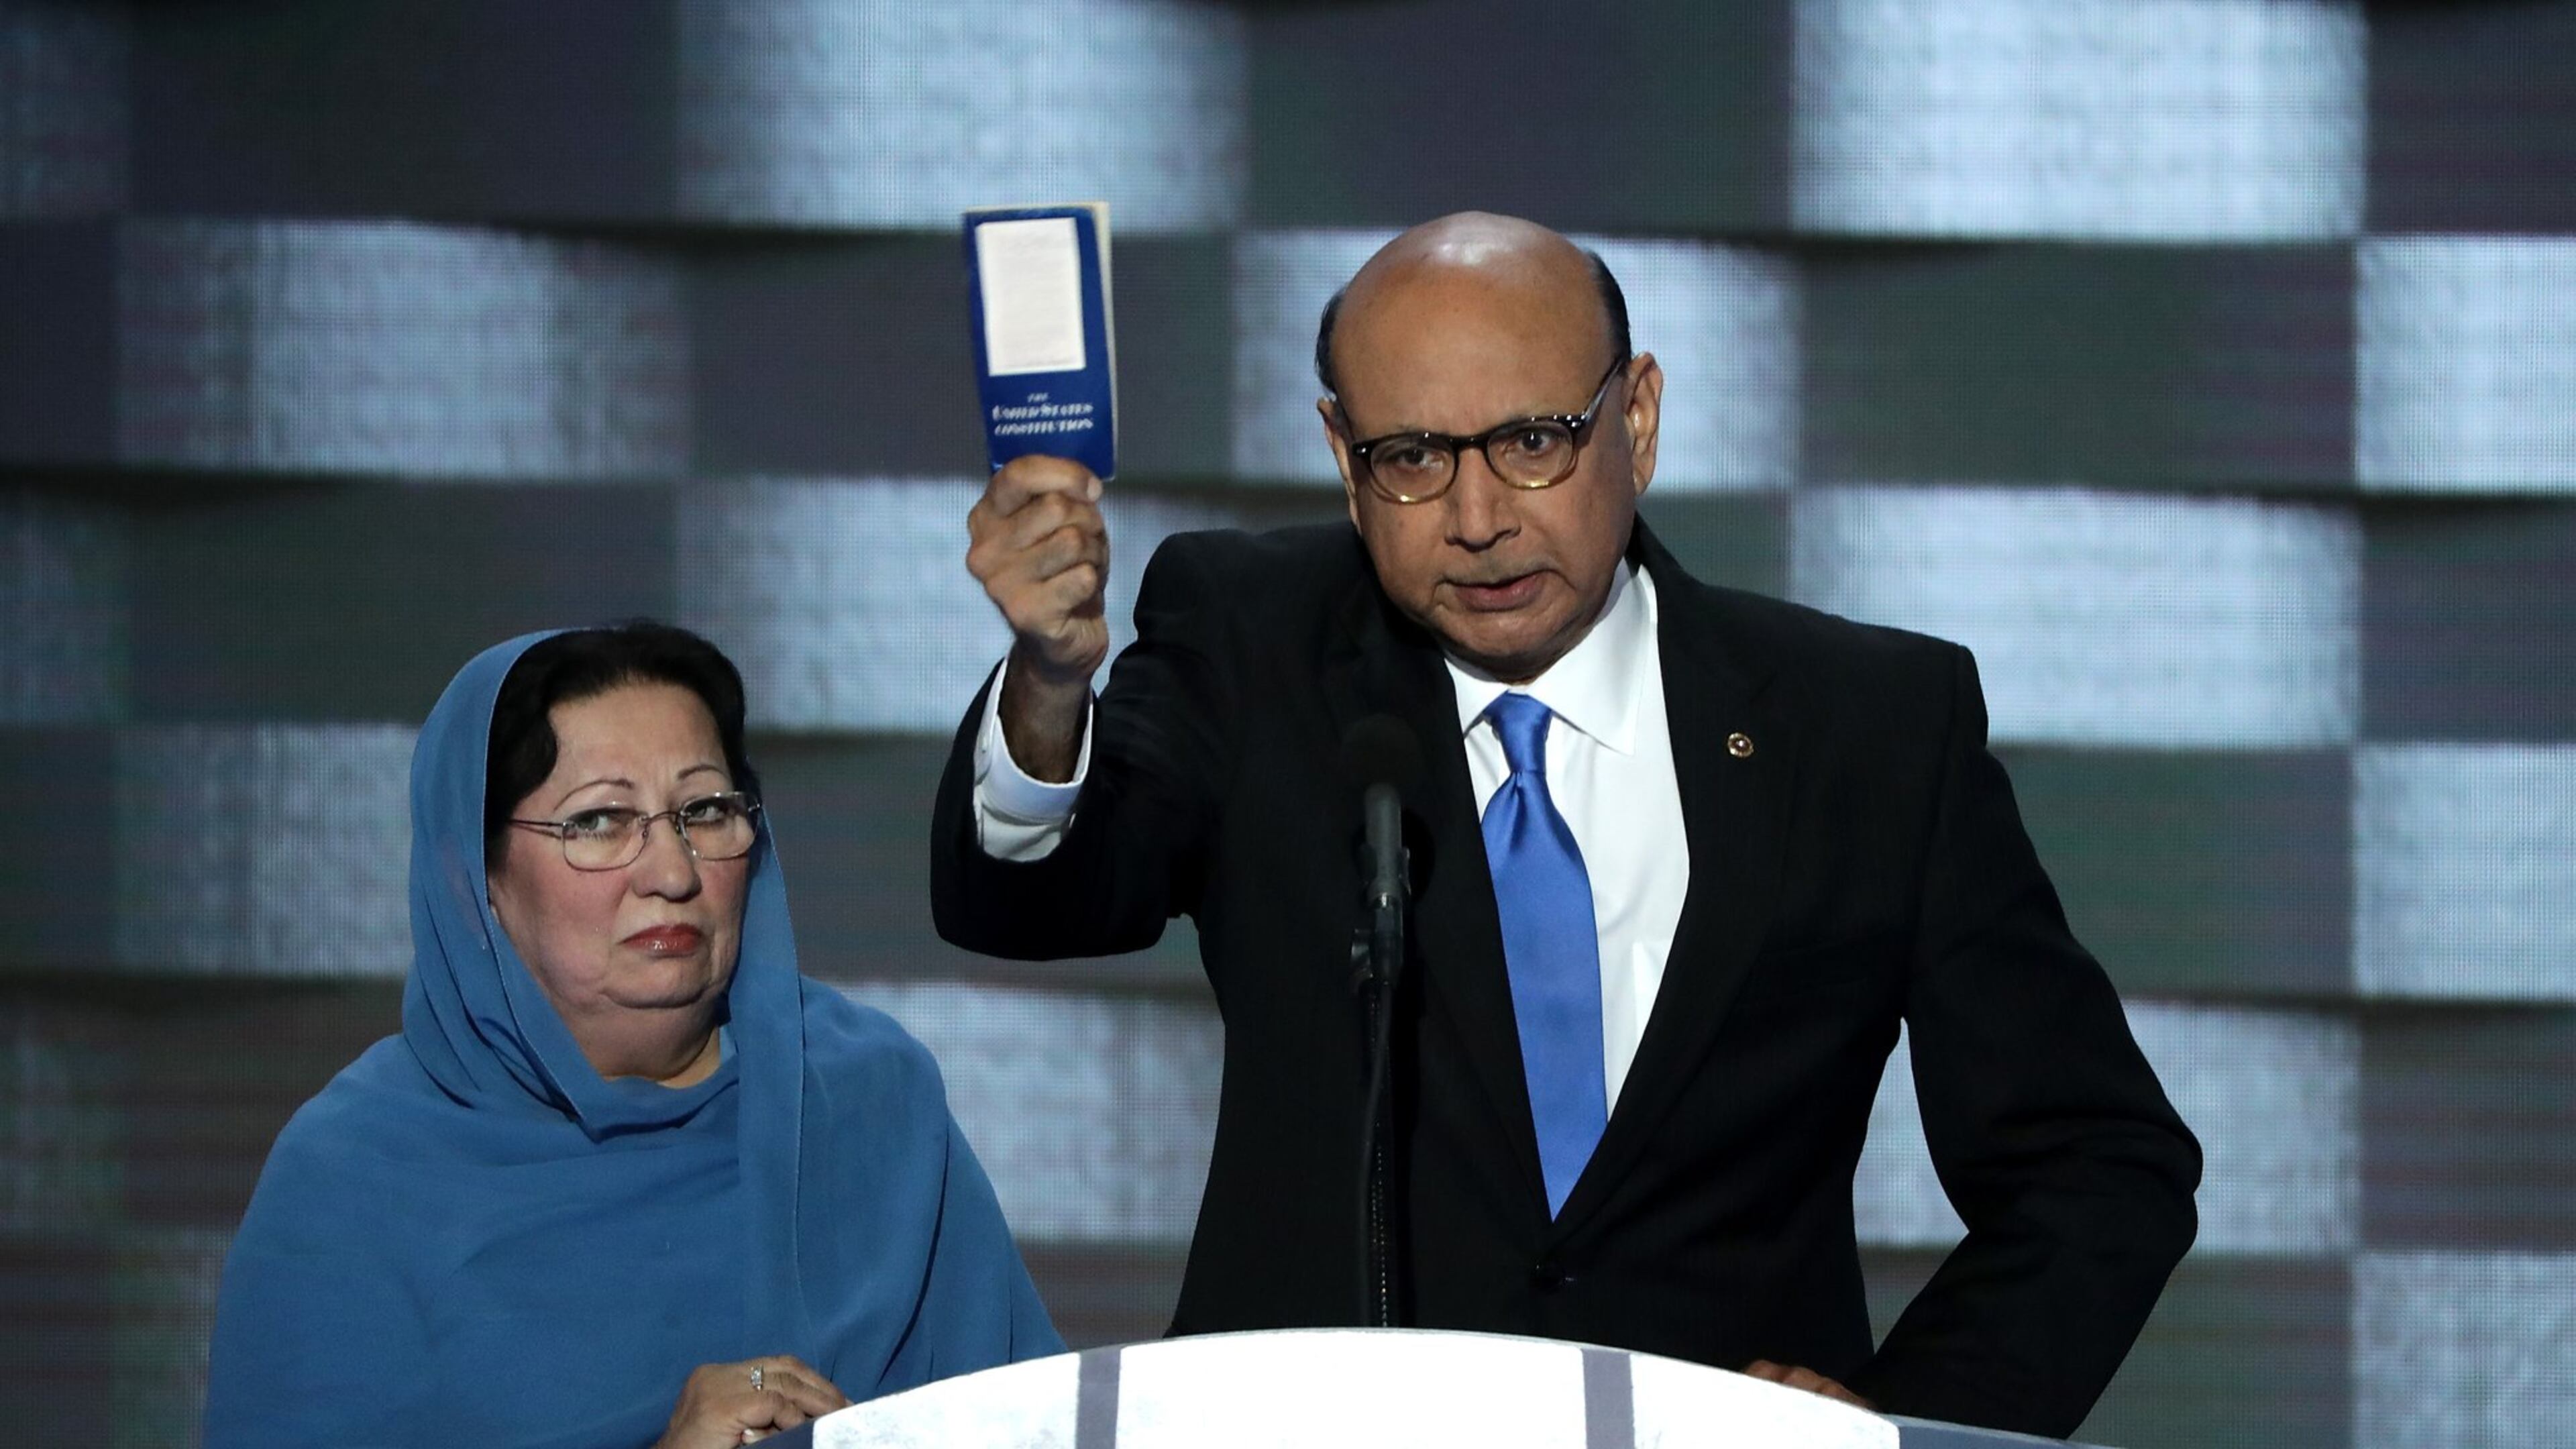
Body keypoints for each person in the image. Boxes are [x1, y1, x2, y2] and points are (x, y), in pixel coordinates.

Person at [932, 213, 2201, 1438]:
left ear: (1636, 419)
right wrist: (1050, 687)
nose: (1479, 517)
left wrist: (1892, 1431)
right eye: (1414, 457)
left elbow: (2095, 1167)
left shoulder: (1865, 726)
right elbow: (1039, 898)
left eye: (1535, 440)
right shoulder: (1253, 638)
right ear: (1342, 454)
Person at [207, 623, 1060, 1449]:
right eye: (600, 823)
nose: (672, 873)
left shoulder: (870, 1098)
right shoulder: (354, 1176)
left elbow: (1040, 1426)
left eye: (706, 810)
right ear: (478, 880)